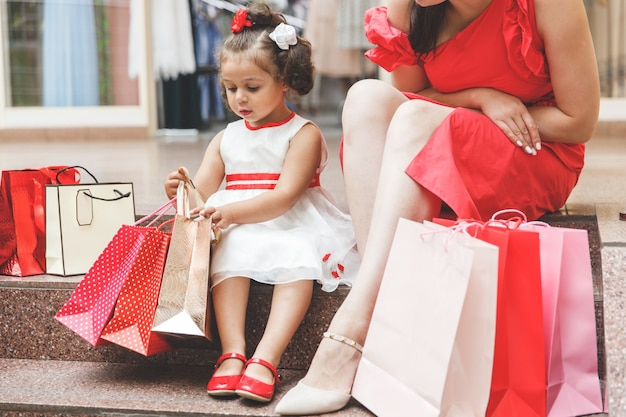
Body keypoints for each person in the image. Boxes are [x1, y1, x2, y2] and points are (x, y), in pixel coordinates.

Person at [275, 0, 600, 414]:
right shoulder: (408, 7)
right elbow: (413, 97)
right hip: (449, 135)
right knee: (366, 98)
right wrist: (481, 97)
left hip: (535, 151)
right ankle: (384, 311)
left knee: (413, 121)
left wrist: (490, 114)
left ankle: (353, 332)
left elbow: (579, 120)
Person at [163, 3, 359, 404]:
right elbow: (202, 192)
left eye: (252, 87)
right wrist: (181, 190)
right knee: (230, 250)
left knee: (297, 256)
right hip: (236, 224)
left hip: (290, 219)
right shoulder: (225, 138)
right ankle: (232, 351)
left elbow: (286, 196)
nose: (240, 99)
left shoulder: (302, 134)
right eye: (231, 89)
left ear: (284, 79)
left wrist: (231, 213)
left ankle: (267, 356)